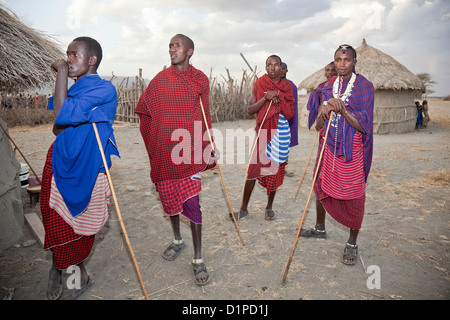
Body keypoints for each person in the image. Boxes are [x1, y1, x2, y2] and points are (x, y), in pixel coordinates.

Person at [135, 34, 217, 286]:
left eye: (177, 46)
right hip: (164, 152)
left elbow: (205, 115)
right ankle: (178, 240)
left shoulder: (200, 79)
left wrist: (208, 144)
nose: (172, 49)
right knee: (170, 200)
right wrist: (155, 144)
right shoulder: (160, 80)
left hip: (189, 150)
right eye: (170, 46)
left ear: (189, 51)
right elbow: (144, 111)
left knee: (192, 204)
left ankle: (198, 258)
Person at [42, 36, 119, 299]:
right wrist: (64, 85)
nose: (69, 59)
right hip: (61, 161)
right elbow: (57, 125)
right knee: (57, 223)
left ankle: (76, 279)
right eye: (67, 55)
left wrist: (61, 72)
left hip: (89, 168)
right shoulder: (71, 90)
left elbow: (63, 116)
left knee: (81, 230)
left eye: (74, 55)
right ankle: (57, 269)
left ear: (92, 60)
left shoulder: (105, 90)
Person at [301, 44, 374, 266]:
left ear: (354, 62)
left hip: (352, 149)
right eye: (338, 60)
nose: (342, 64)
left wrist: (341, 108)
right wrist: (326, 109)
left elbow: (364, 126)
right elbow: (318, 125)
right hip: (329, 146)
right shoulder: (328, 86)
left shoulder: (365, 87)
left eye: (347, 60)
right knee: (320, 185)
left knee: (354, 194)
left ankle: (352, 242)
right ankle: (320, 227)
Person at [233, 55, 295, 221]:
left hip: (280, 135)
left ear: (281, 68)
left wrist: (279, 96)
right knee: (253, 171)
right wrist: (265, 98)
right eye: (269, 65)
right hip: (263, 133)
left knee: (274, 172)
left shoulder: (287, 87)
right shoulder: (260, 84)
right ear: (266, 67)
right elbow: (250, 110)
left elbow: (290, 113)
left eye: (276, 65)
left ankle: (269, 206)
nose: (273, 68)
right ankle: (244, 209)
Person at [280, 62, 299, 177]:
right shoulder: (272, 84)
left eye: (283, 69)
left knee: (284, 145)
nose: (281, 71)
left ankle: (282, 169)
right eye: (279, 68)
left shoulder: (291, 86)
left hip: (287, 120)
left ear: (286, 71)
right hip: (275, 120)